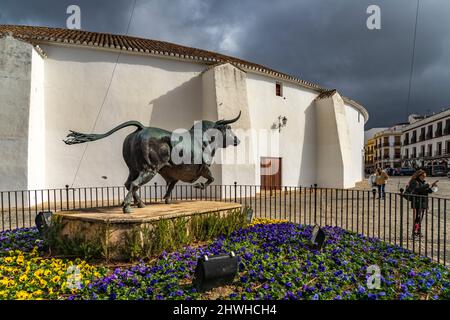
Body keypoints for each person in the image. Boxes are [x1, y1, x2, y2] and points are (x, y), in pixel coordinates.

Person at [408, 169, 439, 239]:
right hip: (417, 203)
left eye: (425, 176)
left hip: (423, 202)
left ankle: (418, 231)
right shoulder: (414, 182)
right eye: (423, 176)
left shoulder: (423, 182)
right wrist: (428, 185)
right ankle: (414, 233)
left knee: (420, 218)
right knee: (417, 218)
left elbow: (427, 191)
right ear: (419, 176)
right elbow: (417, 189)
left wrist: (433, 187)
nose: (424, 177)